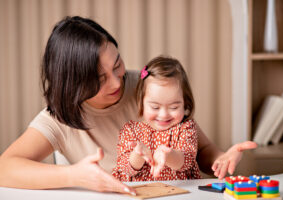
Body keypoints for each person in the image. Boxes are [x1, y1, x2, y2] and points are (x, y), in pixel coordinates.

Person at [0, 16, 257, 194]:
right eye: (100, 79)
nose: (117, 82)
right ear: (74, 84)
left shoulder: (146, 86)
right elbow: (5, 168)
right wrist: (74, 176)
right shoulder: (59, 117)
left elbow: (201, 150)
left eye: (117, 64)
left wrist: (220, 159)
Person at [112, 56, 202, 181]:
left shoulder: (186, 128)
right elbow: (125, 168)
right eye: (155, 107)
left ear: (185, 103)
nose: (164, 114)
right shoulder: (131, 130)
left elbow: (186, 161)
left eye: (174, 107)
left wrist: (169, 155)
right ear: (141, 103)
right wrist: (138, 155)